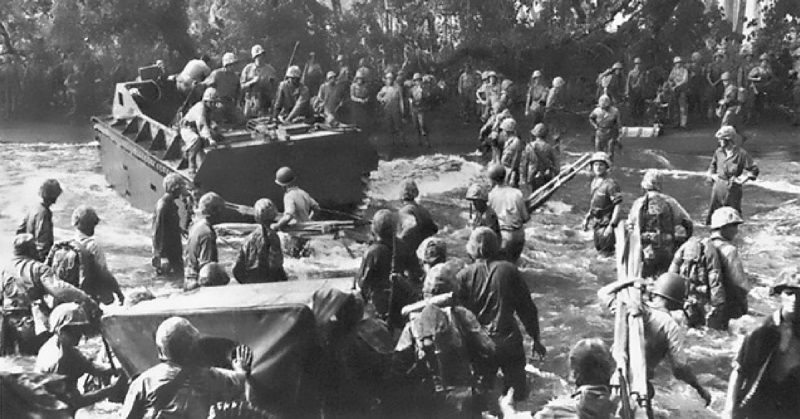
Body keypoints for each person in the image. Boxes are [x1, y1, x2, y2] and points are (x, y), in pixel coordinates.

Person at [455, 227, 546, 404]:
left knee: (482, 393)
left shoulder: (463, 276)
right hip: (509, 341)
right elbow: (526, 308)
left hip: (481, 344)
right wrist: (536, 338)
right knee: (518, 395)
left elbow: (459, 316)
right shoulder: (509, 270)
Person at [598, 275, 712, 416]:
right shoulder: (669, 325)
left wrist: (631, 280)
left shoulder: (630, 307)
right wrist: (699, 388)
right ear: (676, 301)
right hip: (638, 386)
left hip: (611, 377)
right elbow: (679, 367)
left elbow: (603, 293)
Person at [395, 263, 496, 419]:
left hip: (427, 401)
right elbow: (488, 349)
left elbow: (399, 363)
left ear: (425, 291)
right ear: (454, 289)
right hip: (462, 397)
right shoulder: (461, 315)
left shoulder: (414, 322)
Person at [120, 316, 252, 419]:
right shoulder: (214, 377)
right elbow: (240, 381)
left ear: (161, 351)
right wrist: (241, 369)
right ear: (196, 347)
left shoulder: (144, 382)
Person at [723, 268, 800, 419]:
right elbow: (739, 371)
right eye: (789, 294)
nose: (795, 300)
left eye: (799, 295)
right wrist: (729, 410)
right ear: (780, 295)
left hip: (792, 403)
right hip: (760, 402)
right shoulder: (762, 330)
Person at [1, 234, 95, 355]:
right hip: (31, 325)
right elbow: (60, 290)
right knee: (36, 362)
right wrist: (85, 298)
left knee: (12, 364)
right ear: (31, 250)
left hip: (5, 327)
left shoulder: (3, 269)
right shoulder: (38, 269)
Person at [670, 206, 749, 330]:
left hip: (692, 306)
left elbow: (671, 275)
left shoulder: (690, 246)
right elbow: (740, 285)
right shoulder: (729, 251)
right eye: (734, 226)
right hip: (718, 311)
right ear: (724, 227)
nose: (736, 231)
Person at [36, 303, 123, 413]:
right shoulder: (58, 360)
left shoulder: (65, 347)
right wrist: (111, 390)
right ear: (60, 331)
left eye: (81, 329)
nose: (80, 335)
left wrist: (121, 369)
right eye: (74, 331)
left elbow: (93, 368)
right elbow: (74, 403)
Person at [355, 210, 421, 329]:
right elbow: (416, 274)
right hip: (401, 302)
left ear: (375, 229)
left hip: (379, 306)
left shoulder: (372, 252)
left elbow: (362, 283)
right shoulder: (405, 246)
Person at [521, 338, 615, 419]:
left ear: (574, 372)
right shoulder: (620, 408)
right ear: (611, 371)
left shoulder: (555, 412)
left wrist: (507, 407)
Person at [626, 169, 694, 278]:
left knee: (645, 280)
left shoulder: (638, 203)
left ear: (644, 185)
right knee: (664, 279)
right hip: (667, 249)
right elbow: (688, 223)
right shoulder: (671, 202)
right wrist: (681, 242)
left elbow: (630, 226)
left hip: (646, 250)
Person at [71, 206, 124, 305]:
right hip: (90, 295)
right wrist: (118, 292)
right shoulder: (94, 247)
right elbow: (104, 273)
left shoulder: (69, 244)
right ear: (92, 225)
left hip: (72, 293)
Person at [706, 125, 758, 225]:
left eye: (721, 139)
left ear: (728, 140)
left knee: (733, 216)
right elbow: (712, 167)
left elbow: (754, 169)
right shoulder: (718, 152)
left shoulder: (741, 154)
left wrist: (743, 179)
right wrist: (712, 176)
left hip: (733, 188)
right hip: (718, 187)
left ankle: (735, 236)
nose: (719, 141)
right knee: (713, 214)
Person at [233, 198, 286, 283]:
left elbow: (237, 268)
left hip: (250, 280)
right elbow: (276, 264)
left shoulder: (248, 239)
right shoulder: (273, 237)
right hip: (268, 281)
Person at [271, 166, 320, 258]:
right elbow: (317, 209)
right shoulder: (303, 193)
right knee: (305, 257)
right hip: (307, 233)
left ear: (282, 185)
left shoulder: (289, 196)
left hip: (296, 235)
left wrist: (276, 226)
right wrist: (308, 220)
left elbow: (289, 215)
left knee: (293, 257)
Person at [487, 165, 530, 264]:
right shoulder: (517, 193)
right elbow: (526, 218)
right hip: (519, 236)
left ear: (492, 180)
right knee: (514, 265)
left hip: (504, 237)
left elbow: (489, 221)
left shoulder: (490, 197)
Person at [583, 152, 622, 257]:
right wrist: (587, 217)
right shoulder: (594, 182)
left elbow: (618, 206)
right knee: (598, 250)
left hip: (606, 224)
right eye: (595, 164)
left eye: (601, 165)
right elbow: (594, 203)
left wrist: (611, 226)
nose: (598, 167)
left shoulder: (611, 185)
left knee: (606, 255)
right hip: (597, 223)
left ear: (606, 167)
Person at [184, 192, 226, 290]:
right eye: (221, 210)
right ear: (215, 211)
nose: (223, 214)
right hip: (199, 286)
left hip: (189, 280)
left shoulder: (196, 226)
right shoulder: (207, 234)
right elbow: (207, 269)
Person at [18, 179, 62, 262]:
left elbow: (20, 231)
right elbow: (43, 243)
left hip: (27, 257)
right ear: (54, 197)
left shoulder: (32, 208)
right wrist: (45, 263)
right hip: (37, 260)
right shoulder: (44, 213)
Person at [180, 87, 221, 173]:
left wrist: (214, 127)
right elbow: (202, 124)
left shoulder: (209, 109)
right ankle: (191, 165)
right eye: (212, 102)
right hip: (187, 129)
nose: (214, 105)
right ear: (206, 101)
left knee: (216, 136)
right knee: (196, 140)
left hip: (197, 129)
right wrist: (209, 139)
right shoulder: (200, 108)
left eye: (215, 103)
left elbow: (209, 121)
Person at [152, 173, 185, 277]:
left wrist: (180, 230)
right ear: (174, 188)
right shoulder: (163, 206)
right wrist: (160, 256)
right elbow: (158, 231)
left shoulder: (170, 204)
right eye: (180, 187)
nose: (181, 191)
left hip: (174, 252)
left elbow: (168, 225)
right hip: (168, 254)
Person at [398, 180, 439, 254]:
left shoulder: (405, 211)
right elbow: (435, 229)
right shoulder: (423, 210)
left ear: (401, 194)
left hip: (411, 252)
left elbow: (407, 231)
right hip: (424, 250)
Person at [202, 52, 243, 125]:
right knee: (217, 117)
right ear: (226, 65)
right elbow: (206, 85)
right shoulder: (217, 74)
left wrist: (238, 104)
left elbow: (238, 92)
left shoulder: (236, 77)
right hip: (217, 102)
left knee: (241, 119)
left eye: (234, 64)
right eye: (231, 64)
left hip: (230, 103)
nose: (233, 67)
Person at [520, 123, 559, 193]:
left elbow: (524, 164)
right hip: (545, 175)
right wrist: (556, 175)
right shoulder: (548, 147)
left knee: (534, 192)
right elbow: (556, 163)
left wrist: (524, 179)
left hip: (532, 175)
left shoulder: (529, 147)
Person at [240, 44, 277, 118]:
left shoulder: (270, 70)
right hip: (250, 102)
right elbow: (241, 87)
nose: (261, 57)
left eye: (262, 55)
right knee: (248, 124)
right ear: (255, 57)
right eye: (259, 55)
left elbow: (276, 88)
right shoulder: (247, 69)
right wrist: (252, 82)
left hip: (265, 104)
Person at [376, 71, 406, 145]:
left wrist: (403, 111)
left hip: (396, 110)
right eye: (388, 78)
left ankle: (402, 142)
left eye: (391, 78)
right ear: (386, 79)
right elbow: (378, 96)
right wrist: (382, 100)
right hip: (387, 109)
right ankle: (392, 142)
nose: (389, 80)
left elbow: (401, 100)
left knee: (399, 126)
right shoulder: (384, 88)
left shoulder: (398, 88)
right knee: (389, 127)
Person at [588, 95, 621, 159]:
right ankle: (599, 162)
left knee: (610, 150)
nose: (603, 103)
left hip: (610, 132)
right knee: (598, 150)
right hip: (600, 132)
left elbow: (618, 123)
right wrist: (595, 126)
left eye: (605, 101)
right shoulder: (596, 110)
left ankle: (609, 164)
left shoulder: (614, 111)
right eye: (601, 102)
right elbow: (591, 118)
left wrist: (619, 133)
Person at [748, 53, 773, 124]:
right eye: (763, 61)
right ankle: (751, 119)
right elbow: (749, 77)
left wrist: (768, 83)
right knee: (753, 103)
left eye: (766, 61)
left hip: (764, 88)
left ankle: (759, 119)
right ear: (760, 62)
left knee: (761, 104)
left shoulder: (768, 70)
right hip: (755, 88)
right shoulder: (756, 69)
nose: (764, 63)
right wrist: (756, 79)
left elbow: (771, 78)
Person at [499, 118, 524, 188]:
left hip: (511, 172)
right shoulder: (507, 141)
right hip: (505, 170)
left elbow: (516, 160)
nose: (502, 132)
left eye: (503, 130)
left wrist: (512, 176)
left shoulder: (516, 142)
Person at [410, 73, 432, 147]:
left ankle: (427, 141)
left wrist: (422, 91)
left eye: (419, 80)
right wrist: (411, 101)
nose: (417, 82)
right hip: (414, 109)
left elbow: (428, 96)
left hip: (422, 109)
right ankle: (418, 142)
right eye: (416, 80)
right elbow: (409, 97)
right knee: (416, 126)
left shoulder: (424, 88)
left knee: (423, 125)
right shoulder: (412, 89)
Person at [668, 56, 690, 128]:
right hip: (675, 91)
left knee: (683, 107)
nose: (678, 64)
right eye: (676, 63)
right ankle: (676, 123)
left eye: (679, 62)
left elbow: (685, 80)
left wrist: (676, 85)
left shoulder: (684, 70)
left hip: (682, 90)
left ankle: (683, 124)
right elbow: (670, 79)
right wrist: (671, 85)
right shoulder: (673, 71)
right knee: (675, 107)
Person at [626, 57, 647, 123]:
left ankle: (641, 121)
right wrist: (627, 92)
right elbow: (628, 83)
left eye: (639, 64)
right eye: (637, 64)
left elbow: (645, 82)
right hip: (633, 92)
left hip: (641, 92)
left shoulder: (643, 73)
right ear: (635, 64)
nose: (638, 65)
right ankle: (634, 121)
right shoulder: (631, 73)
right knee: (633, 108)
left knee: (641, 107)